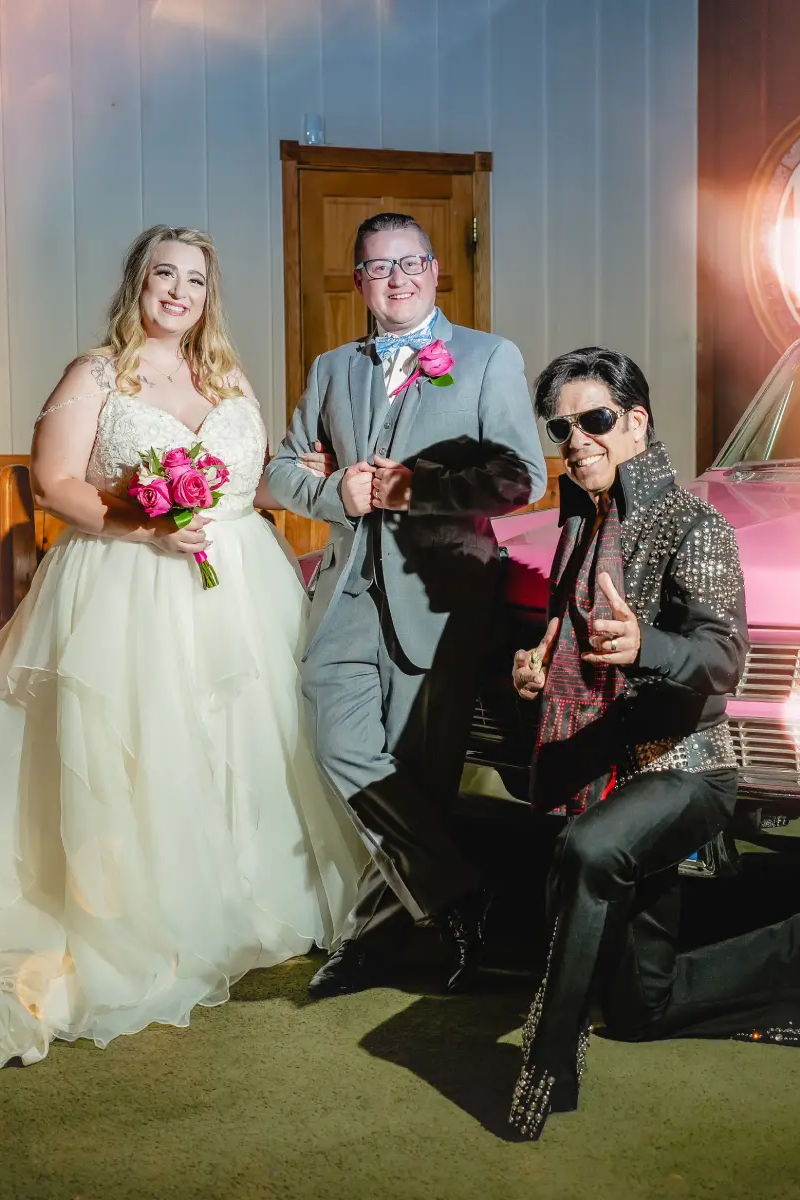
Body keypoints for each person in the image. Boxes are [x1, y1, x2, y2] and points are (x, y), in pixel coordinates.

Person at [0, 225, 367, 1091]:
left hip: (238, 584)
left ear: (208, 295)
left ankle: (239, 898)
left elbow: (249, 479)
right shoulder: (97, 372)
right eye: (164, 275)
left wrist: (321, 482)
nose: (179, 292)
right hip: (130, 583)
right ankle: (141, 917)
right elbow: (56, 481)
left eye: (194, 279)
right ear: (137, 284)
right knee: (143, 744)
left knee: (248, 741)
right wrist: (144, 524)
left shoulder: (224, 374)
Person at [504, 347, 800, 1140]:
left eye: (594, 421)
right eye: (562, 428)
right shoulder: (580, 523)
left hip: (684, 771)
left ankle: (544, 1065)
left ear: (636, 423)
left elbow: (724, 658)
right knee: (641, 1006)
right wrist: (533, 668)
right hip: (608, 770)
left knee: (587, 853)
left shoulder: (695, 522)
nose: (577, 440)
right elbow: (568, 639)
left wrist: (646, 648)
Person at [265, 213, 546, 998]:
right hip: (349, 586)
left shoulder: (489, 358)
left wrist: (416, 489)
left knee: (418, 780)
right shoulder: (330, 369)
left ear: (433, 271)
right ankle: (462, 895)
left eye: (412, 263)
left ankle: (373, 944)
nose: (398, 279)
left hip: (444, 597)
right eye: (379, 268)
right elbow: (277, 474)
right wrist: (334, 492)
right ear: (358, 282)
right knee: (338, 739)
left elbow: (525, 477)